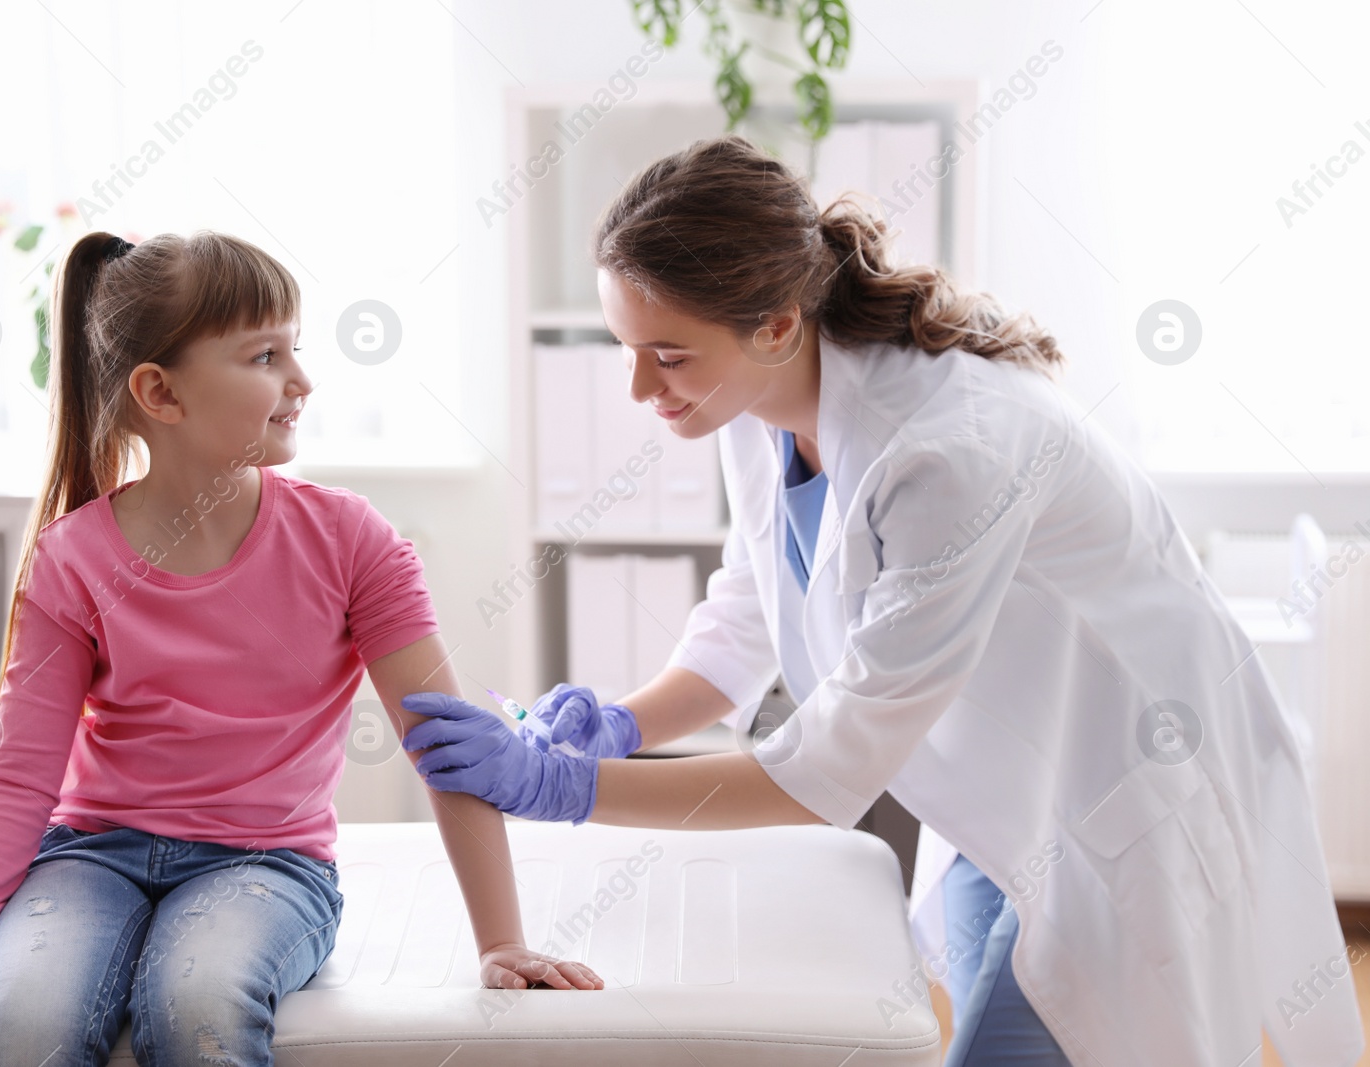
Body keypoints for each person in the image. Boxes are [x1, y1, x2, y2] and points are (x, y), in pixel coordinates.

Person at [396, 136, 1363, 1065]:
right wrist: (617, 724)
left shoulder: (949, 451)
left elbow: (825, 770)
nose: (641, 384)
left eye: (669, 354)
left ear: (776, 322)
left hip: (1123, 794)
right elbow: (747, 618)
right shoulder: (755, 400)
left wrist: (559, 787)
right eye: (627, 347)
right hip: (1013, 787)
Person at [0, 231, 601, 1067]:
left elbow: (446, 743)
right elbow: (17, 771)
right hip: (90, 854)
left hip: (269, 864)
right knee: (26, 1020)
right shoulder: (73, 557)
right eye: (263, 355)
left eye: (296, 348)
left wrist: (500, 940)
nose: (302, 380)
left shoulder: (352, 540)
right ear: (160, 393)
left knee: (196, 1002)